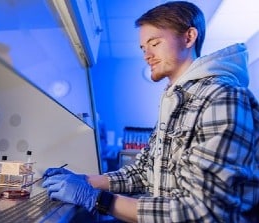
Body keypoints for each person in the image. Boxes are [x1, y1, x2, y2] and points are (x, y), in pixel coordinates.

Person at [42, 1, 259, 222]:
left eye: (154, 43)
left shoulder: (221, 97)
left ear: (189, 37)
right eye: (143, 48)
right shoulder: (175, 100)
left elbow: (204, 211)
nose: (147, 55)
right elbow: (145, 172)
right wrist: (85, 180)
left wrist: (96, 199)